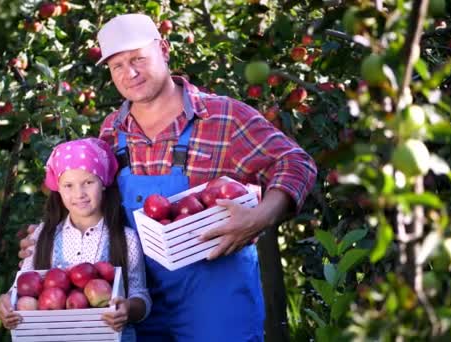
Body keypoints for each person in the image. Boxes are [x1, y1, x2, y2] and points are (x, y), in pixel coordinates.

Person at [19, 13, 317, 341]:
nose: (129, 73)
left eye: (138, 59)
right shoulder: (110, 132)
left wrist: (259, 217)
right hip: (135, 301)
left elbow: (295, 163)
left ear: (163, 49)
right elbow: (92, 202)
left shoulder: (223, 117)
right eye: (117, 65)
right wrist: (53, 238)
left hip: (216, 303)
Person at [0, 138, 152, 341]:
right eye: (68, 185)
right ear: (58, 189)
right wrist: (7, 301)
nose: (79, 194)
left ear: (103, 182)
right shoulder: (43, 236)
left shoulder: (125, 238)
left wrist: (127, 309)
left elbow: (141, 297)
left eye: (88, 182)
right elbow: (23, 286)